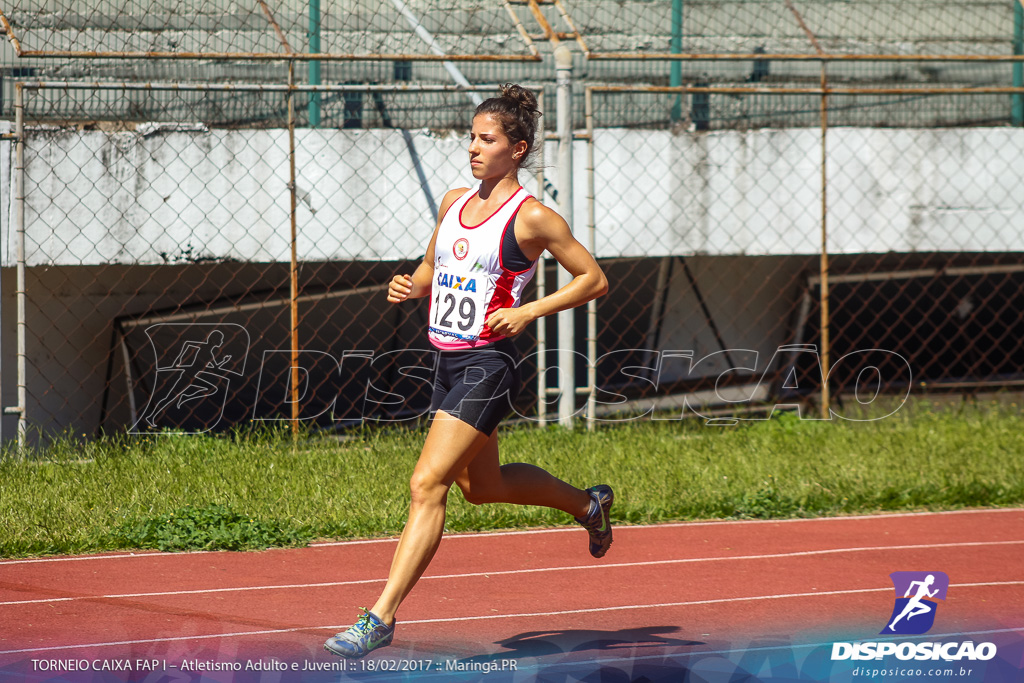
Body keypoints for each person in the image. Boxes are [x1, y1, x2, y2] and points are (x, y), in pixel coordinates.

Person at [323, 83, 612, 659]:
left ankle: (379, 617)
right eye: (471, 138)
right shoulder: (454, 200)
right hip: (445, 360)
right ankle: (588, 505)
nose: (473, 149)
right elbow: (435, 262)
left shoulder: (533, 219)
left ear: (519, 149)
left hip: (489, 363)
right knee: (484, 487)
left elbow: (594, 279)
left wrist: (528, 309)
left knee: (426, 484)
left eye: (487, 140)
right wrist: (410, 284)